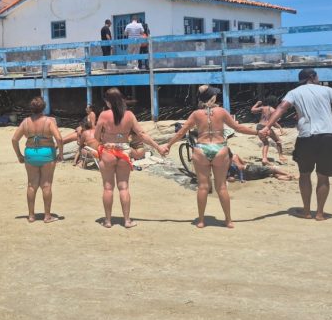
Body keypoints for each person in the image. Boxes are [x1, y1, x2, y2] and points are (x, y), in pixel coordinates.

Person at [260, 68, 332, 221]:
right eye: (317, 76)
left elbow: (281, 108)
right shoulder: (327, 90)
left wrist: (267, 127)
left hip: (306, 137)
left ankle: (306, 211)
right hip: (327, 137)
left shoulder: (294, 93)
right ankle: (320, 213)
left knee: (305, 175)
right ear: (312, 77)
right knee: (323, 177)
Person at [164, 86, 260, 228]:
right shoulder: (221, 112)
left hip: (201, 149)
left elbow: (181, 133)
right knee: (221, 187)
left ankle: (201, 221)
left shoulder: (196, 114)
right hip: (219, 148)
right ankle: (228, 221)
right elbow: (238, 128)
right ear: (212, 98)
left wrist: (168, 145)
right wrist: (257, 133)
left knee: (202, 187)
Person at [94, 88, 165, 228]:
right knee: (124, 187)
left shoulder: (103, 115)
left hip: (108, 151)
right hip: (124, 151)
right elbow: (142, 134)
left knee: (108, 188)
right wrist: (158, 147)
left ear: (108, 101)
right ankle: (127, 221)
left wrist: (105, 138)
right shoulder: (129, 115)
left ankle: (108, 221)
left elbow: (96, 137)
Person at [11, 96, 63, 223]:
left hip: (30, 154)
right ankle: (47, 216)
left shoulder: (26, 122)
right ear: (43, 108)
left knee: (31, 185)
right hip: (46, 154)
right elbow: (59, 139)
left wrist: (19, 155)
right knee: (46, 185)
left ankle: (31, 215)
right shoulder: (49, 121)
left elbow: (14, 139)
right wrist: (60, 153)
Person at [250, 96, 287, 164]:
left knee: (265, 143)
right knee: (278, 141)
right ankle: (281, 156)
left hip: (259, 126)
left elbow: (252, 110)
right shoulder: (273, 110)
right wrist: (280, 128)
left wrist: (257, 103)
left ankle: (264, 158)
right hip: (266, 127)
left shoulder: (263, 108)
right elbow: (273, 122)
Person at [228, 151, 294, 182]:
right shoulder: (235, 156)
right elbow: (242, 164)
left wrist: (240, 179)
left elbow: (232, 177)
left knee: (270, 174)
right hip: (249, 169)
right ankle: (288, 174)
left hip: (248, 177)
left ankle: (281, 177)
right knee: (273, 169)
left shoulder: (225, 164)